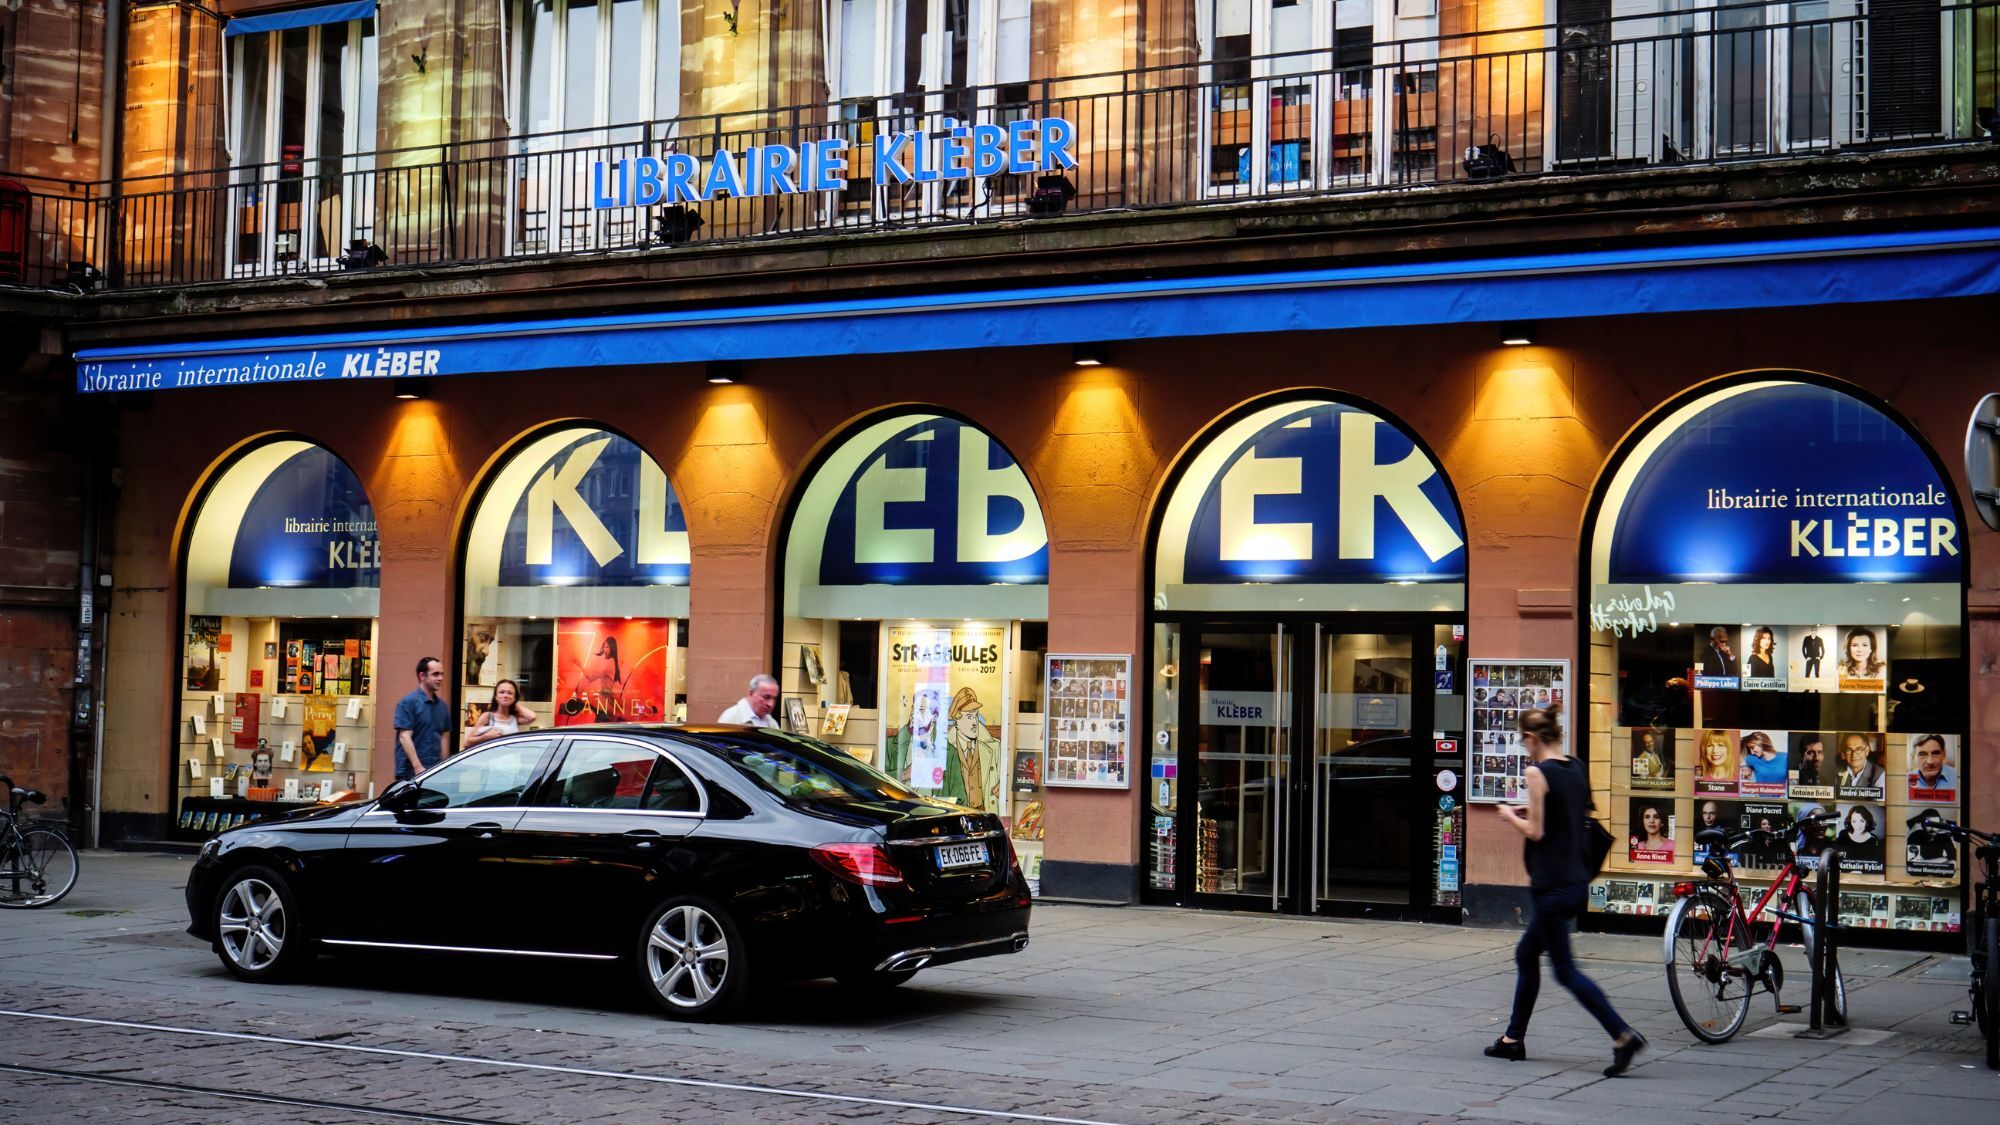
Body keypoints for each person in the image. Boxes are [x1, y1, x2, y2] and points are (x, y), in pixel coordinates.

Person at [1487, 708, 1645, 1074]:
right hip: (1576, 881)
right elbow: (1568, 811)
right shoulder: (1575, 765)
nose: (1522, 746)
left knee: (1565, 971)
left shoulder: (1536, 772)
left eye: (1522, 739)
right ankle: (1513, 1039)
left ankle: (1622, 1035)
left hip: (1552, 887)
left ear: (1533, 738)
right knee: (1527, 954)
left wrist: (1511, 815)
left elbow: (1538, 832)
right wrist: (1529, 807)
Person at [394, 657, 452, 781]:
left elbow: (443, 738)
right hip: (410, 774)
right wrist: (418, 768)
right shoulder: (408, 703)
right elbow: (404, 737)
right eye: (435, 674)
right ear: (422, 676)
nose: (440, 678)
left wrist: (444, 767)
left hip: (434, 772)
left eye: (442, 674)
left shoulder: (442, 706)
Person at [465, 678, 536, 747]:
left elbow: (532, 717)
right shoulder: (487, 716)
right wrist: (485, 737)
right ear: (496, 696)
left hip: (513, 757)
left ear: (514, 697)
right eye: (502, 692)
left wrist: (514, 703)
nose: (505, 696)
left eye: (510, 693)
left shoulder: (514, 718)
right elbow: (467, 743)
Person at [1907, 734, 1957, 798]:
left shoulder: (1957, 776)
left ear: (1944, 755)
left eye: (1935, 753)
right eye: (1923, 754)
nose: (1930, 761)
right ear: (1913, 758)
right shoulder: (1906, 779)